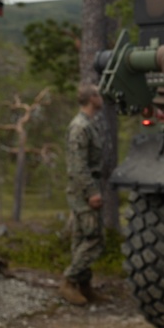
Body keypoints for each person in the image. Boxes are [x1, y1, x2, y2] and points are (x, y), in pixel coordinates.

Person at [60, 80, 106, 306]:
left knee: (81, 238)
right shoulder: (80, 127)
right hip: (84, 189)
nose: (102, 97)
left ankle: (84, 285)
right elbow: (78, 166)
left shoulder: (90, 124)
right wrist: (91, 192)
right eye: (98, 94)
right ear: (91, 99)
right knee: (95, 239)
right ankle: (69, 280)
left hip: (87, 186)